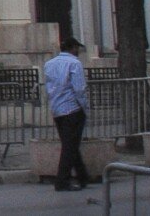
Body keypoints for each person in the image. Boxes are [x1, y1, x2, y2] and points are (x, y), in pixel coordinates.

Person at [44, 36, 91, 191]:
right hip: (73, 108)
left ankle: (83, 176)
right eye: (77, 48)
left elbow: (49, 87)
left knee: (70, 143)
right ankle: (62, 181)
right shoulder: (74, 63)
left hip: (57, 109)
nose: (78, 51)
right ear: (72, 48)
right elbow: (79, 89)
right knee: (70, 146)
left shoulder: (49, 64)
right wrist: (85, 108)